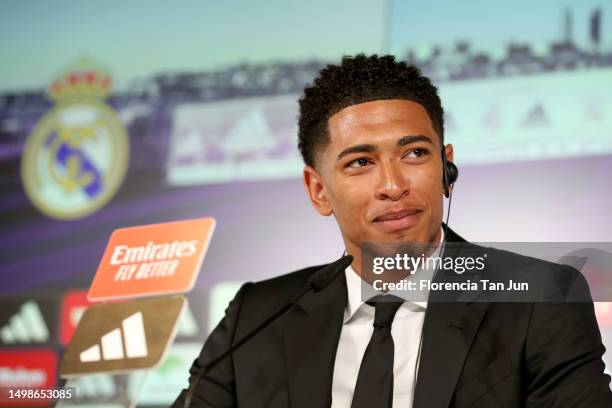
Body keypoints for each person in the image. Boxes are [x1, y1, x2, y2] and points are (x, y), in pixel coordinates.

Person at [172, 54, 612, 407]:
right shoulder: (256, 318)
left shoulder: (540, 299)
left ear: (447, 168)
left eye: (415, 153)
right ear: (318, 190)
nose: (393, 185)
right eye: (360, 162)